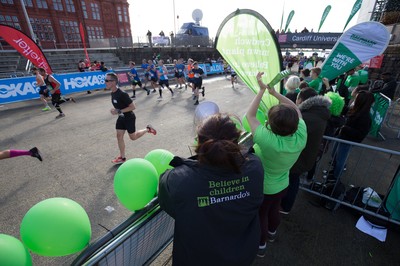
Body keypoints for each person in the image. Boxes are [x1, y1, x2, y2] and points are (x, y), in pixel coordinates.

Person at [158, 113, 264, 265]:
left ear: (199, 143)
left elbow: (167, 201)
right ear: (237, 140)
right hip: (242, 255)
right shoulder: (254, 166)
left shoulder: (180, 179)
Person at [246, 72, 307, 257]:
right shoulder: (301, 135)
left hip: (265, 187)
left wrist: (262, 90)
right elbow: (296, 109)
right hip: (283, 184)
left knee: (261, 215)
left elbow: (250, 115)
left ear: (271, 125)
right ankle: (272, 233)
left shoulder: (268, 140)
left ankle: (262, 245)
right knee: (274, 209)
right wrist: (274, 94)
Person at [280, 88, 331, 213]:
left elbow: (290, 134)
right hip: (307, 155)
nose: (296, 101)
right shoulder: (319, 112)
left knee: (291, 182)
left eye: (297, 98)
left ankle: (285, 207)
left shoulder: (307, 117)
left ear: (302, 99)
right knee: (293, 180)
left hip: (299, 157)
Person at [107, 72, 157, 164]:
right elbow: (120, 106)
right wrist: (115, 110)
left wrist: (119, 111)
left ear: (113, 82)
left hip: (129, 117)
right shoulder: (112, 93)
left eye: (107, 80)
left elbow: (133, 107)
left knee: (133, 137)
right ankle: (122, 157)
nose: (105, 82)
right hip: (121, 118)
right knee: (119, 136)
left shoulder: (122, 94)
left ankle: (147, 129)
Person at [329, 90, 375, 182]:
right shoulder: (354, 109)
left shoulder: (365, 118)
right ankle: (334, 171)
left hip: (348, 141)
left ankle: (335, 178)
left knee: (340, 160)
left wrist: (345, 128)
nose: (354, 99)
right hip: (341, 136)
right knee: (334, 154)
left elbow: (360, 134)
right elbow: (345, 110)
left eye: (356, 98)